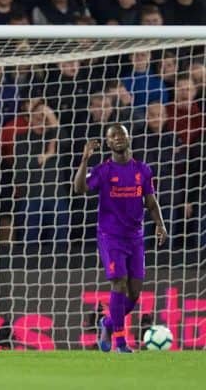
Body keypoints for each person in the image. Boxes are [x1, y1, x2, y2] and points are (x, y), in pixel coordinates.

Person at [73, 124, 167, 353]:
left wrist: (160, 224)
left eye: (121, 134)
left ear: (128, 138)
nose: (118, 138)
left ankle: (107, 323)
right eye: (113, 136)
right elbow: (80, 188)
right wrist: (85, 160)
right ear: (107, 143)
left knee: (134, 293)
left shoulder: (142, 170)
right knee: (119, 282)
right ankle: (121, 343)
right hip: (110, 236)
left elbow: (150, 202)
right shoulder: (104, 170)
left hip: (135, 236)